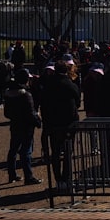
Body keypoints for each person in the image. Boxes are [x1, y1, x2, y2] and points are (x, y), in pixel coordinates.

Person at [39, 59, 81, 190]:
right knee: (68, 152)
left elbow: (43, 104)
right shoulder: (70, 84)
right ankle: (67, 178)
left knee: (55, 153)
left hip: (53, 123)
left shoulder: (48, 84)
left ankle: (59, 180)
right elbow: (78, 101)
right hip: (68, 122)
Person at [3, 68, 42, 185]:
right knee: (26, 152)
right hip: (26, 126)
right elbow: (31, 113)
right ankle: (28, 176)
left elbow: (6, 113)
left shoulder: (9, 93)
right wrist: (38, 120)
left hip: (15, 124)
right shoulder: (26, 95)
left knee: (13, 150)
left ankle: (12, 174)